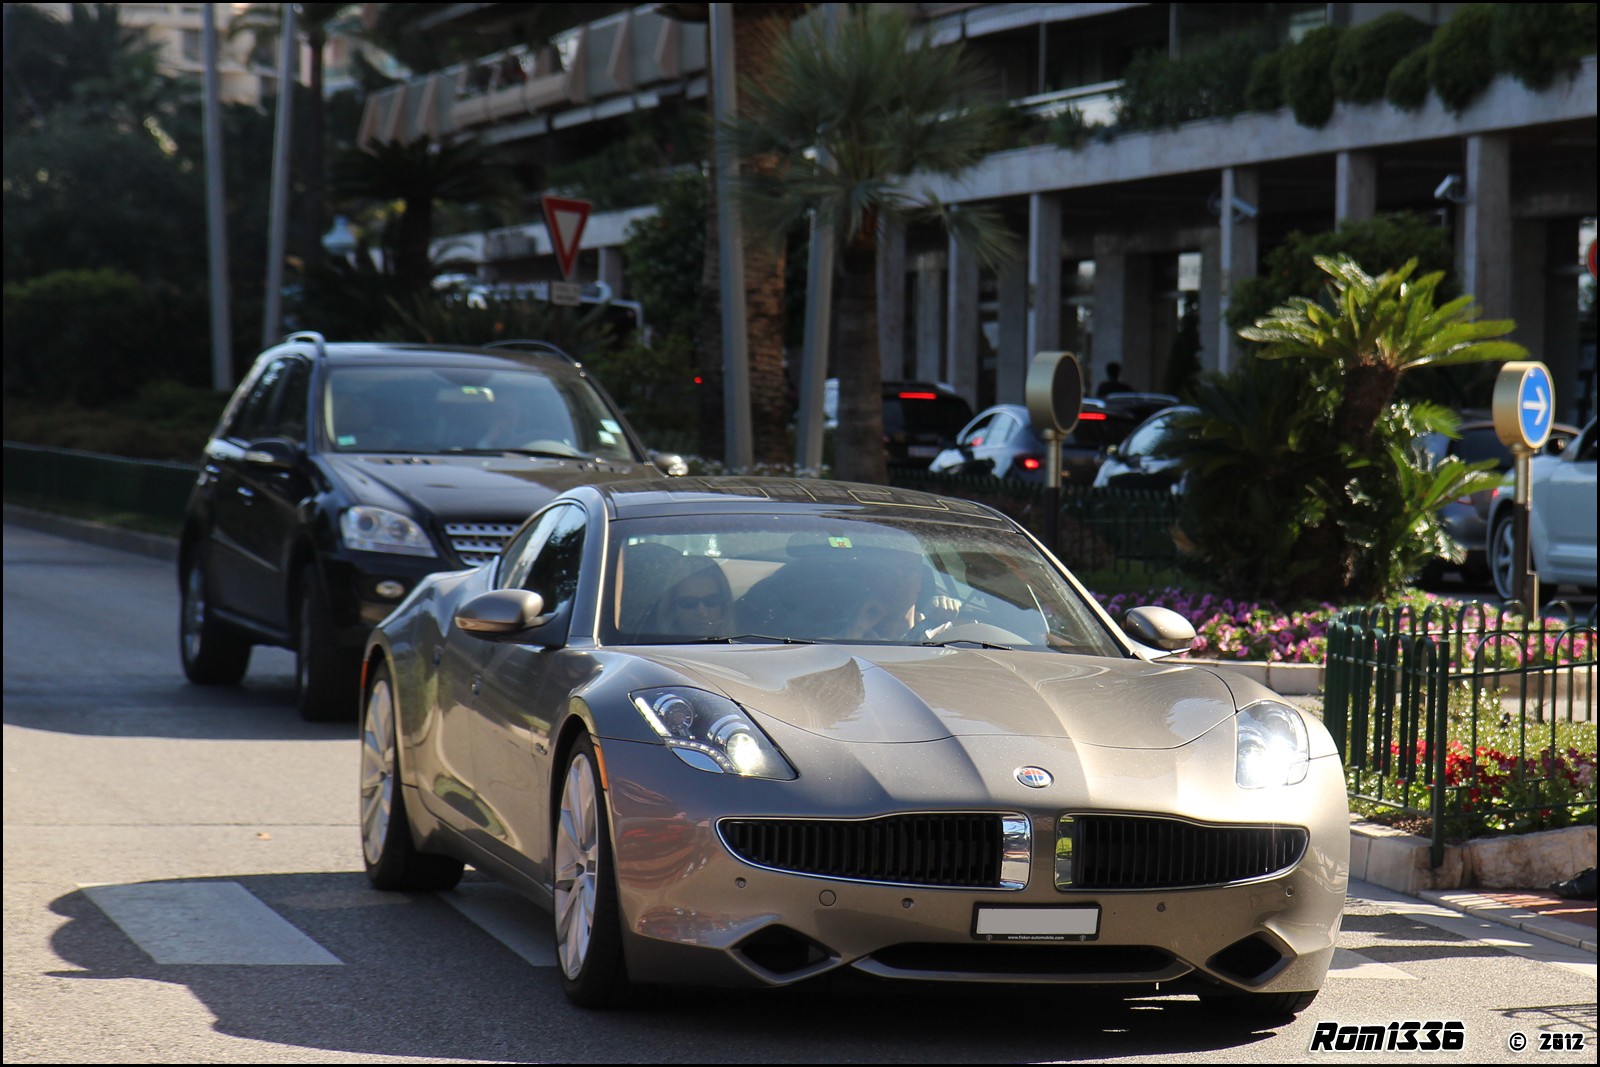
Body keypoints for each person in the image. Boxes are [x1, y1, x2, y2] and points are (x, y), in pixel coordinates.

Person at [651, 557, 733, 640]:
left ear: (724, 605)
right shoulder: (651, 646)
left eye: (711, 601)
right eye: (689, 603)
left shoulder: (739, 644)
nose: (702, 613)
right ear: (672, 608)